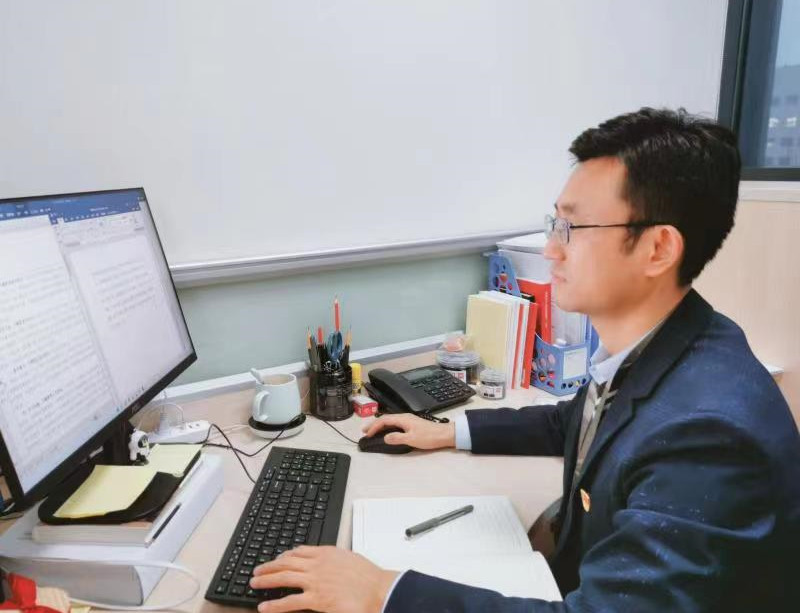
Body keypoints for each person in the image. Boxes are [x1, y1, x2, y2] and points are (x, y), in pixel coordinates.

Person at [249, 108, 800, 612]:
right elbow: (574, 421)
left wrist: (382, 594)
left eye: (572, 228)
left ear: (658, 249)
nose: (551, 249)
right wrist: (447, 431)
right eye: (554, 223)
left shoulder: (708, 434)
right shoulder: (659, 345)